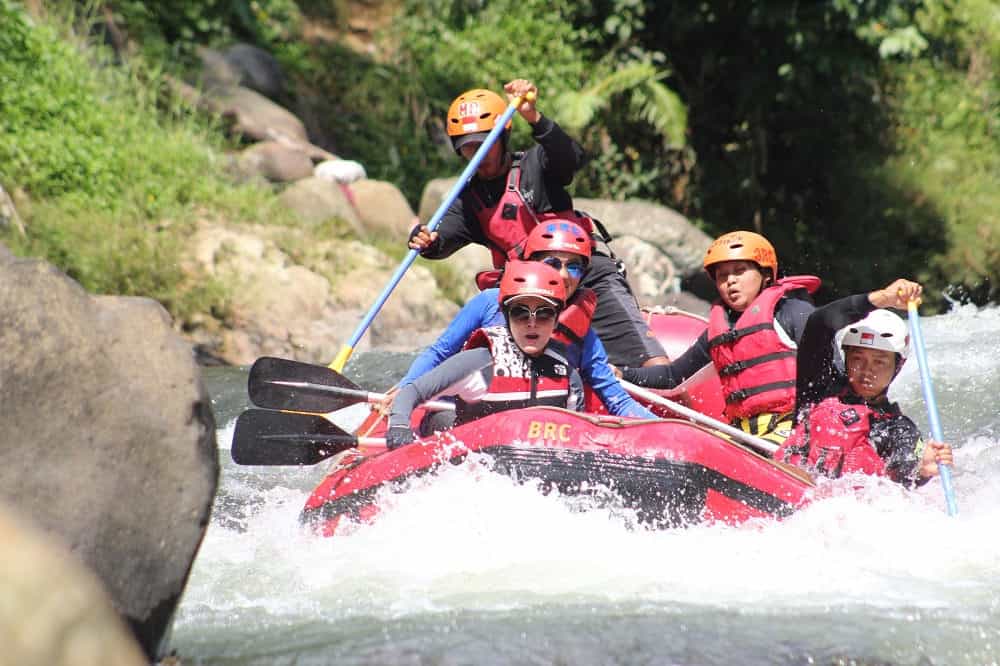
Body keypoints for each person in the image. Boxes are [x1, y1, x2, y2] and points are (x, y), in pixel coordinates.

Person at [407, 79, 668, 368]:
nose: (478, 155)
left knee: (652, 362)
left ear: (503, 137)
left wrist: (534, 117)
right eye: (468, 149)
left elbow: (571, 157)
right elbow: (441, 242)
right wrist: (426, 242)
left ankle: (656, 383)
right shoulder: (468, 200)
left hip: (584, 278)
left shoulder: (536, 165)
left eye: (485, 144)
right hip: (529, 296)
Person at [393, 220, 655, 422]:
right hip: (465, 413)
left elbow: (618, 401)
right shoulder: (490, 302)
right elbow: (439, 353)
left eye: (574, 266)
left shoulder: (583, 333)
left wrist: (664, 431)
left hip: (535, 433)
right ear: (530, 263)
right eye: (552, 263)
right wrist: (405, 392)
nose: (563, 275)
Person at [616, 231, 820, 445]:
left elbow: (831, 370)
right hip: (742, 434)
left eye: (740, 271)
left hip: (793, 429)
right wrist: (622, 373)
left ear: (766, 275)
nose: (730, 281)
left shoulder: (793, 313)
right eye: (722, 276)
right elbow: (672, 378)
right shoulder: (718, 334)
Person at [385, 261, 585, 448]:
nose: (531, 323)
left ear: (557, 320)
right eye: (520, 313)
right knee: (441, 419)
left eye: (544, 314)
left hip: (534, 465)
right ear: (506, 317)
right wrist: (399, 427)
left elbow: (578, 437)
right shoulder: (478, 363)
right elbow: (410, 393)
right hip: (470, 460)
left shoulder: (567, 375)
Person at [775, 280, 954, 484]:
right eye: (858, 358)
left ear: (897, 365)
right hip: (787, 482)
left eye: (879, 361)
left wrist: (921, 470)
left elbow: (905, 472)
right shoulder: (820, 388)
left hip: (837, 504)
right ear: (846, 358)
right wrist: (881, 298)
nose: (867, 370)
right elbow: (819, 322)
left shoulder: (898, 428)